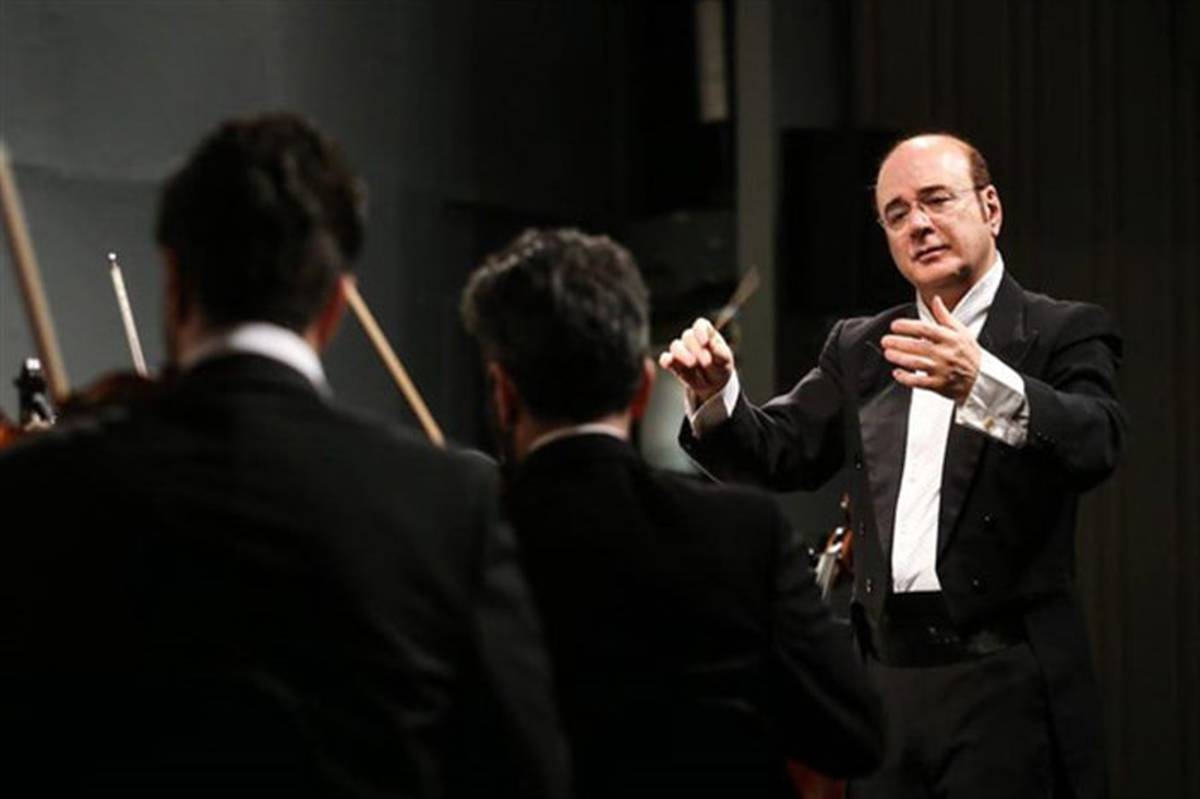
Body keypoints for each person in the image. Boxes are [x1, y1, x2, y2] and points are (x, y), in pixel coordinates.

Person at [0, 113, 568, 798]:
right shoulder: (449, 504)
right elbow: (525, 776)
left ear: (174, 281)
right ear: (335, 305)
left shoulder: (38, 489)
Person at [660, 133, 1126, 799]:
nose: (919, 224)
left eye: (937, 200)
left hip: (1006, 683)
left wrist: (981, 381)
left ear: (990, 208)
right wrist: (715, 396)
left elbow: (1096, 439)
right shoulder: (862, 347)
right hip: (886, 682)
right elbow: (776, 451)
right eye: (897, 213)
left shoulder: (1061, 331)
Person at [460, 227, 884, 799]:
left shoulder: (458, 540)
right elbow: (853, 735)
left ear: (503, 394)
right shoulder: (743, 533)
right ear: (642, 389)